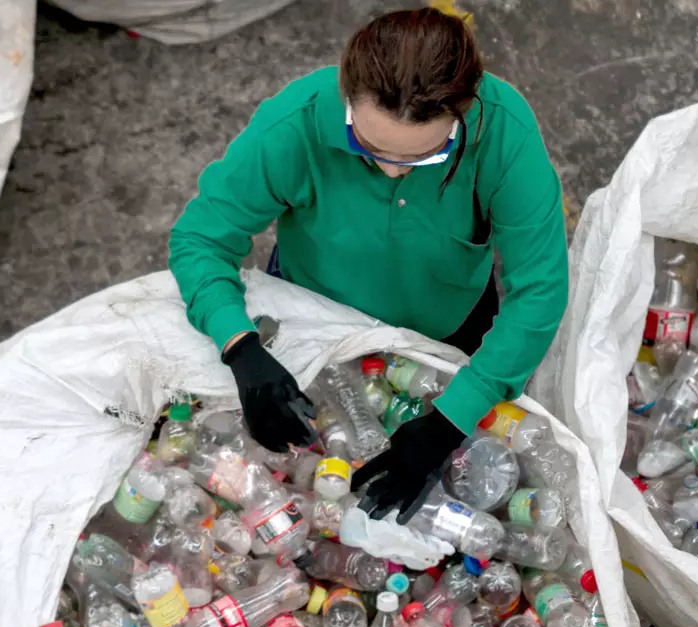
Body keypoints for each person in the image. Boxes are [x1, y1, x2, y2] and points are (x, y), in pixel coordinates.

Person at [168, 7, 568, 524]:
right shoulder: (295, 124)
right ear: (346, 98)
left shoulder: (504, 132)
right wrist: (240, 346)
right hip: (313, 315)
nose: (391, 169)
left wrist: (450, 421)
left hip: (450, 327)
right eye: (366, 146)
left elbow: (538, 290)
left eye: (424, 158)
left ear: (464, 113)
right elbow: (201, 236)